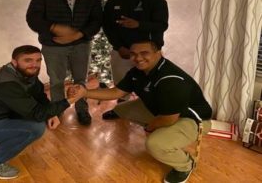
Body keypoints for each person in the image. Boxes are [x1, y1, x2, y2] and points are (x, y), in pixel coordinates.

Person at [69, 40, 212, 183]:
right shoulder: (137, 72)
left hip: (192, 120)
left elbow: (169, 119)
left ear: (159, 53)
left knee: (155, 144)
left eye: (144, 53)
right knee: (121, 109)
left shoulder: (171, 80)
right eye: (133, 54)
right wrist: (84, 93)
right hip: (161, 109)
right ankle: (157, 129)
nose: (138, 58)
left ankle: (185, 165)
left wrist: (150, 128)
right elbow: (117, 92)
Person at [0, 45, 75, 180]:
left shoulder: (24, 73)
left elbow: (39, 94)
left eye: (38, 60)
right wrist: (70, 100)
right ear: (14, 62)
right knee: (36, 128)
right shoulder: (6, 84)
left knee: (35, 117)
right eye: (28, 60)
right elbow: (36, 114)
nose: (35, 65)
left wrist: (52, 113)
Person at [26, 0, 102, 126]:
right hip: (53, 45)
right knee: (56, 81)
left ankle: (82, 109)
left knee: (80, 79)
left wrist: (78, 35)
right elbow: (33, 18)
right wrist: (53, 27)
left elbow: (96, 21)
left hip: (81, 44)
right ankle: (56, 111)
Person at [102, 0, 168, 119]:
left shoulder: (156, 0)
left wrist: (139, 24)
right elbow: (108, 28)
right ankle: (120, 109)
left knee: (152, 83)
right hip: (123, 52)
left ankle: (154, 111)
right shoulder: (113, 2)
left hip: (150, 53)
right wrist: (119, 47)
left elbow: (162, 25)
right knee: (121, 82)